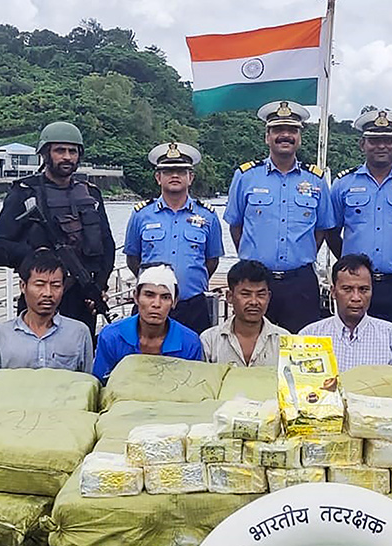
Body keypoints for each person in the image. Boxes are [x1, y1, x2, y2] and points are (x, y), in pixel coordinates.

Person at [0, 121, 115, 340]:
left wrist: (99, 285)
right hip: (38, 297)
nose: (67, 157)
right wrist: (37, 258)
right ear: (45, 154)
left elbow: (107, 245)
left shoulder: (90, 194)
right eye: (59, 150)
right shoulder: (24, 192)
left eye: (72, 151)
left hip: (82, 297)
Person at [223, 100, 337, 333]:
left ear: (299, 137)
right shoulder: (245, 177)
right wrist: (252, 258)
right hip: (255, 283)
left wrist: (298, 256)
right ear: (267, 136)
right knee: (252, 349)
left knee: (301, 351)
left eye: (292, 130)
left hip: (300, 284)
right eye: (278, 130)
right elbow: (236, 226)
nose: (285, 135)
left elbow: (321, 229)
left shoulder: (316, 180)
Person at [326, 109, 392, 346]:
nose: (381, 146)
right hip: (355, 287)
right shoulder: (344, 184)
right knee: (350, 346)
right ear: (362, 144)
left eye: (387, 140)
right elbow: (331, 232)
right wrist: (351, 265)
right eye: (374, 140)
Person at [124, 142, 224, 334]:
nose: (175, 175)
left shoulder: (208, 216)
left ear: (191, 177)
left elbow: (211, 261)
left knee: (193, 360)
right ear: (158, 177)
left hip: (192, 306)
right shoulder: (141, 215)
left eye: (181, 171)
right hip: (151, 306)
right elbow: (133, 259)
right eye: (168, 171)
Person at [0, 250, 93, 394]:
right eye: (39, 284)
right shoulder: (0, 335)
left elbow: (89, 387)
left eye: (56, 285)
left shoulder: (78, 332)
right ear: (23, 286)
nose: (48, 293)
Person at [299, 254, 392, 372]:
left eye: (363, 290)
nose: (356, 297)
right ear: (333, 292)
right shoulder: (309, 336)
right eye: (347, 289)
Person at [92, 265, 202, 382]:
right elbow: (100, 385)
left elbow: (192, 389)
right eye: (149, 295)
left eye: (165, 297)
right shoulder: (111, 337)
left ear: (174, 302)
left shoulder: (189, 342)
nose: (156, 304)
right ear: (136, 297)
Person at [200, 260, 290, 367]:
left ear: (269, 297)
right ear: (229, 296)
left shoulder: (285, 340)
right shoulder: (209, 340)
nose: (254, 302)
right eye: (246, 294)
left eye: (261, 295)